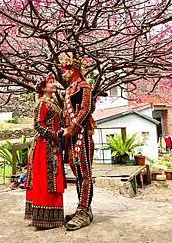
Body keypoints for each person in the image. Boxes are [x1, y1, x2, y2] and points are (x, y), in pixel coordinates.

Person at [24, 75, 66, 229]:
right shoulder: (41, 103)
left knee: (52, 179)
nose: (53, 84)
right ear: (43, 88)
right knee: (44, 179)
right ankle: (42, 218)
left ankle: (51, 217)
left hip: (52, 145)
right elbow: (38, 125)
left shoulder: (53, 103)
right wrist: (55, 135)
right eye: (50, 83)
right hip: (44, 146)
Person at [60, 57, 95, 231]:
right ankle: (82, 208)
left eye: (66, 71)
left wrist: (72, 128)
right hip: (72, 136)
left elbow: (85, 109)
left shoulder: (84, 87)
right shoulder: (69, 89)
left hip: (82, 133)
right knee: (77, 171)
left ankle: (84, 210)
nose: (64, 74)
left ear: (73, 70)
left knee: (84, 172)